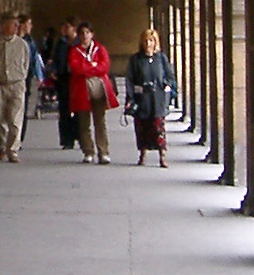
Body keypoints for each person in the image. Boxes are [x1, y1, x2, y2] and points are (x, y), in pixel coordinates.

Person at [126, 28, 177, 168]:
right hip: (142, 98)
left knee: (158, 127)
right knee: (142, 126)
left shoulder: (161, 59)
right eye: (146, 40)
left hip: (158, 98)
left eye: (151, 40)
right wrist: (130, 98)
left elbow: (170, 76)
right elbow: (130, 79)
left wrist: (165, 86)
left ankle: (162, 156)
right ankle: (142, 154)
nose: (148, 43)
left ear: (156, 42)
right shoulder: (136, 60)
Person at [69, 22, 118, 165]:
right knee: (84, 123)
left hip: (99, 90)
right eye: (82, 33)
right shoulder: (74, 51)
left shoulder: (100, 49)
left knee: (100, 121)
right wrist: (93, 67)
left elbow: (105, 66)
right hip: (82, 91)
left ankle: (103, 152)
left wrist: (87, 68)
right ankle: (88, 151)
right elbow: (75, 68)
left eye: (87, 32)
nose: (85, 35)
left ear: (92, 34)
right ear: (79, 35)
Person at [0, 15, 32, 162]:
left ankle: (13, 150)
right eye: (14, 25)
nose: (17, 28)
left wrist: (21, 76)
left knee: (15, 118)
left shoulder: (22, 45)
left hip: (16, 84)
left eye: (18, 25)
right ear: (4, 26)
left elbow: (26, 63)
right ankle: (2, 145)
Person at [52, 21, 79, 149]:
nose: (64, 29)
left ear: (74, 28)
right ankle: (66, 139)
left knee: (79, 110)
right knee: (64, 110)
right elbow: (55, 58)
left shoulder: (79, 43)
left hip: (77, 78)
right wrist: (53, 70)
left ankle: (79, 135)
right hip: (63, 78)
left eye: (67, 26)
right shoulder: (61, 43)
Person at [19, 15, 44, 124]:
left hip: (27, 74)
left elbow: (35, 58)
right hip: (16, 74)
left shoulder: (30, 40)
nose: (31, 26)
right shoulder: (15, 40)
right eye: (29, 23)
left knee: (24, 100)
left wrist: (39, 75)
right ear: (22, 25)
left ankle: (20, 133)